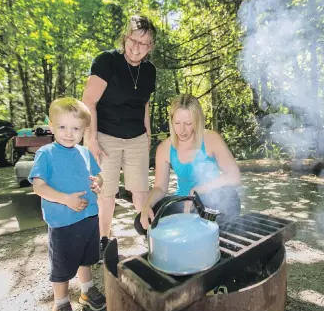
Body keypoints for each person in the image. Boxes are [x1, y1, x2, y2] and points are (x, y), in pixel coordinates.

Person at [81, 15, 157, 256]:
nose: (137, 48)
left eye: (144, 43)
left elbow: (144, 104)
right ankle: (103, 240)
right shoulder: (106, 62)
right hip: (105, 135)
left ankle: (150, 237)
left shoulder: (149, 71)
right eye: (133, 40)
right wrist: (91, 139)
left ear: (150, 47)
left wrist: (148, 133)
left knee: (141, 191)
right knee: (106, 193)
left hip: (136, 137)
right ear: (125, 38)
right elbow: (88, 103)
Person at [28, 98, 106, 311]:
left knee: (85, 258)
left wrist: (97, 184)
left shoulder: (84, 152)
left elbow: (98, 176)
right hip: (63, 222)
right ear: (52, 126)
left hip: (89, 217)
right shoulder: (46, 153)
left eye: (76, 128)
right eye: (62, 127)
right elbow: (38, 187)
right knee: (62, 267)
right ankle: (61, 302)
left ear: (84, 130)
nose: (69, 133)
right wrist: (66, 199)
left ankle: (86, 290)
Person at [135, 94, 241, 235]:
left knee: (230, 201)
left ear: (197, 121)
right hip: (181, 200)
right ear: (171, 120)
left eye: (188, 123)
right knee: (141, 222)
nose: (182, 130)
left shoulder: (211, 138)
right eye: (177, 123)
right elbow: (160, 187)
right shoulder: (165, 148)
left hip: (212, 198)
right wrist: (147, 204)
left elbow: (234, 177)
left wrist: (197, 190)